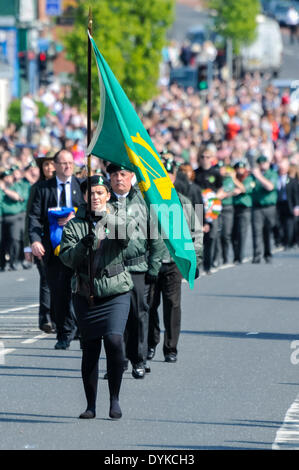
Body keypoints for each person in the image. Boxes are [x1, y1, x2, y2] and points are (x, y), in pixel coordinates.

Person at [59, 174, 134, 419]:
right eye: (91, 193)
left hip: (115, 289)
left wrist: (106, 218)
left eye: (100, 193)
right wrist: (83, 245)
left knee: (114, 340)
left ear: (108, 195)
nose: (95, 197)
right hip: (86, 293)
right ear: (83, 196)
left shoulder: (117, 215)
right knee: (90, 348)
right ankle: (91, 405)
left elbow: (127, 238)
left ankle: (115, 398)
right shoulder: (75, 224)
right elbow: (67, 258)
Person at [106, 163, 162, 379]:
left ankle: (139, 359)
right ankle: (118, 361)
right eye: (114, 175)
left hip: (137, 267)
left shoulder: (143, 202)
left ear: (131, 177)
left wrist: (154, 267)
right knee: (114, 319)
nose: (118, 178)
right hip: (111, 269)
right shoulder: (105, 202)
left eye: (123, 174)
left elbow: (155, 237)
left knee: (138, 314)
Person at [28, 148, 85, 349]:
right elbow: (34, 217)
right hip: (52, 249)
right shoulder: (43, 188)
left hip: (77, 248)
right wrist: (34, 241)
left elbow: (91, 211)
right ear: (55, 166)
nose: (68, 166)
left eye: (71, 162)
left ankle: (77, 327)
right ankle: (63, 333)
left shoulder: (80, 185)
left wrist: (75, 216)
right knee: (58, 292)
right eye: (63, 163)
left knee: (78, 290)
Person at [147, 158, 203, 363]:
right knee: (149, 305)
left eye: (169, 174)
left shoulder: (184, 202)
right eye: (161, 173)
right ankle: (150, 343)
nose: (166, 178)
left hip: (173, 262)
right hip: (150, 262)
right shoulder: (147, 200)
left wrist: (195, 259)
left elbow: (196, 233)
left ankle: (170, 348)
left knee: (172, 304)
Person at [24, 153, 56, 333]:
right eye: (45, 165)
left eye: (51, 164)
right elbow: (30, 218)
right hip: (41, 240)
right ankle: (46, 318)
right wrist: (28, 244)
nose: (48, 168)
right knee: (45, 279)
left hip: (60, 240)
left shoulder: (63, 187)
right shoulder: (36, 188)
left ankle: (60, 317)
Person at [194, 145, 223, 274]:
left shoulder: (216, 173)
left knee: (212, 236)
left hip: (212, 209)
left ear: (212, 158)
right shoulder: (195, 173)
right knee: (198, 237)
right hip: (199, 207)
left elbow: (221, 188)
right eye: (202, 157)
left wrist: (215, 197)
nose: (205, 159)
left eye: (207, 157)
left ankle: (209, 264)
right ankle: (198, 264)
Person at [251, 155, 278, 264]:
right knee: (256, 231)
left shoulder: (272, 174)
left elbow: (270, 187)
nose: (262, 165)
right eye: (260, 163)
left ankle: (268, 254)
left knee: (267, 231)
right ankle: (257, 255)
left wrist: (259, 176)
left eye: (264, 163)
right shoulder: (253, 176)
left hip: (269, 207)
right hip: (257, 207)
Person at [232, 161, 255, 264]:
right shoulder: (233, 179)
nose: (240, 170)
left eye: (242, 168)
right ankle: (235, 255)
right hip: (234, 208)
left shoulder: (248, 178)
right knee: (233, 234)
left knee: (242, 233)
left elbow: (244, 188)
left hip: (245, 208)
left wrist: (234, 180)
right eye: (238, 168)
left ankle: (240, 256)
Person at [276, 158, 299, 249]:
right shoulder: (275, 178)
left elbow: (295, 194)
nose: (282, 170)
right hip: (278, 204)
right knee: (278, 224)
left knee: (289, 224)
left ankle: (287, 242)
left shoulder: (292, 180)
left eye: (284, 168)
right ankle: (280, 240)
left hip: (288, 204)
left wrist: (297, 206)